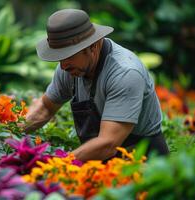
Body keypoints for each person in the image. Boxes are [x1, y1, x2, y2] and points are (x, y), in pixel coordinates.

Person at [24, 8, 169, 162]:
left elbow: (108, 144)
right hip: (99, 161)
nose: (63, 65)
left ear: (93, 46)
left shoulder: (125, 73)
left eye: (68, 55)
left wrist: (61, 163)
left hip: (143, 163)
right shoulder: (69, 67)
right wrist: (11, 131)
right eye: (59, 57)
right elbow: (46, 107)